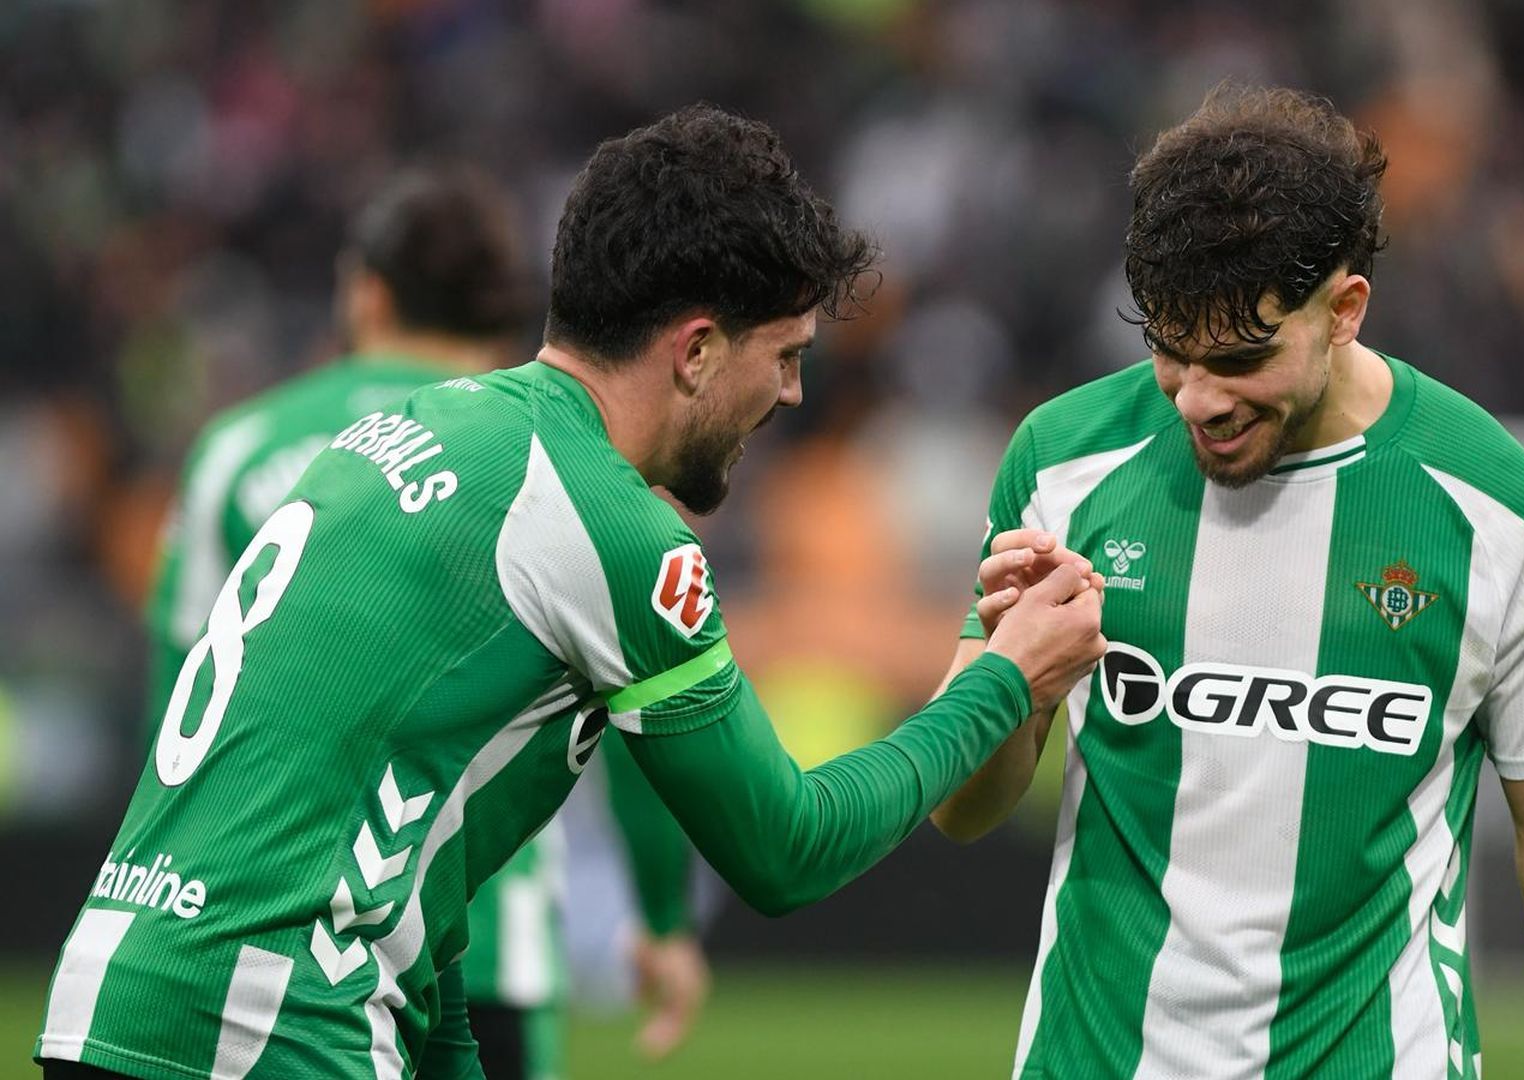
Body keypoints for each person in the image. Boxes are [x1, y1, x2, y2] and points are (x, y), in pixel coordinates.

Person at [37, 104, 1105, 1080]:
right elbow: (786, 848)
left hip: (115, 999)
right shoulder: (602, 525)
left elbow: (422, 866)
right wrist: (1002, 679)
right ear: (696, 351)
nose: (790, 392)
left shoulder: (407, 430)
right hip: (266, 1028)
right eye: (785, 354)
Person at [934, 84, 1524, 1080]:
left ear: (1344, 310)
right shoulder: (1062, 464)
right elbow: (961, 811)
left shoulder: (1507, 517)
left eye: (1241, 358)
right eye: (1171, 352)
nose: (1200, 400)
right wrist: (1011, 679)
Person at [136, 166, 711, 1079]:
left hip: (280, 946)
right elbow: (649, 707)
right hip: (490, 945)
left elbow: (182, 712)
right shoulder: (562, 467)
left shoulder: (238, 451)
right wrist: (664, 917)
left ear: (367, 292)